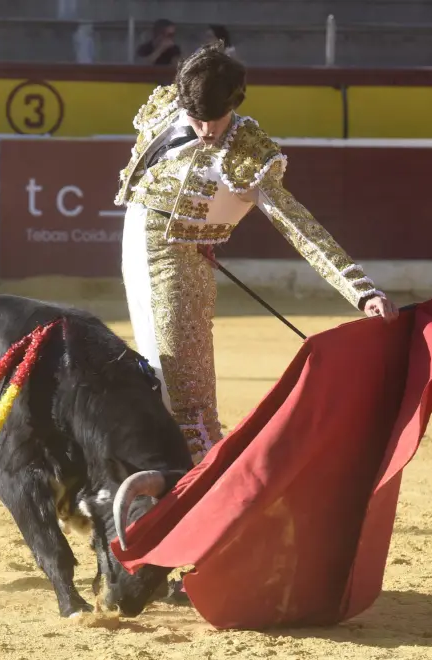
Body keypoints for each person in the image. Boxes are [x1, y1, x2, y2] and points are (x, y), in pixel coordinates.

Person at [114, 42, 398, 467]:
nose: (207, 130)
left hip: (180, 260)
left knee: (187, 392)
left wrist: (361, 290)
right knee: (163, 376)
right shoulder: (168, 106)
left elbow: (298, 226)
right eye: (197, 118)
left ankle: (206, 486)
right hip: (137, 245)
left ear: (236, 102)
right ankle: (178, 478)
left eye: (217, 117)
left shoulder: (248, 152)